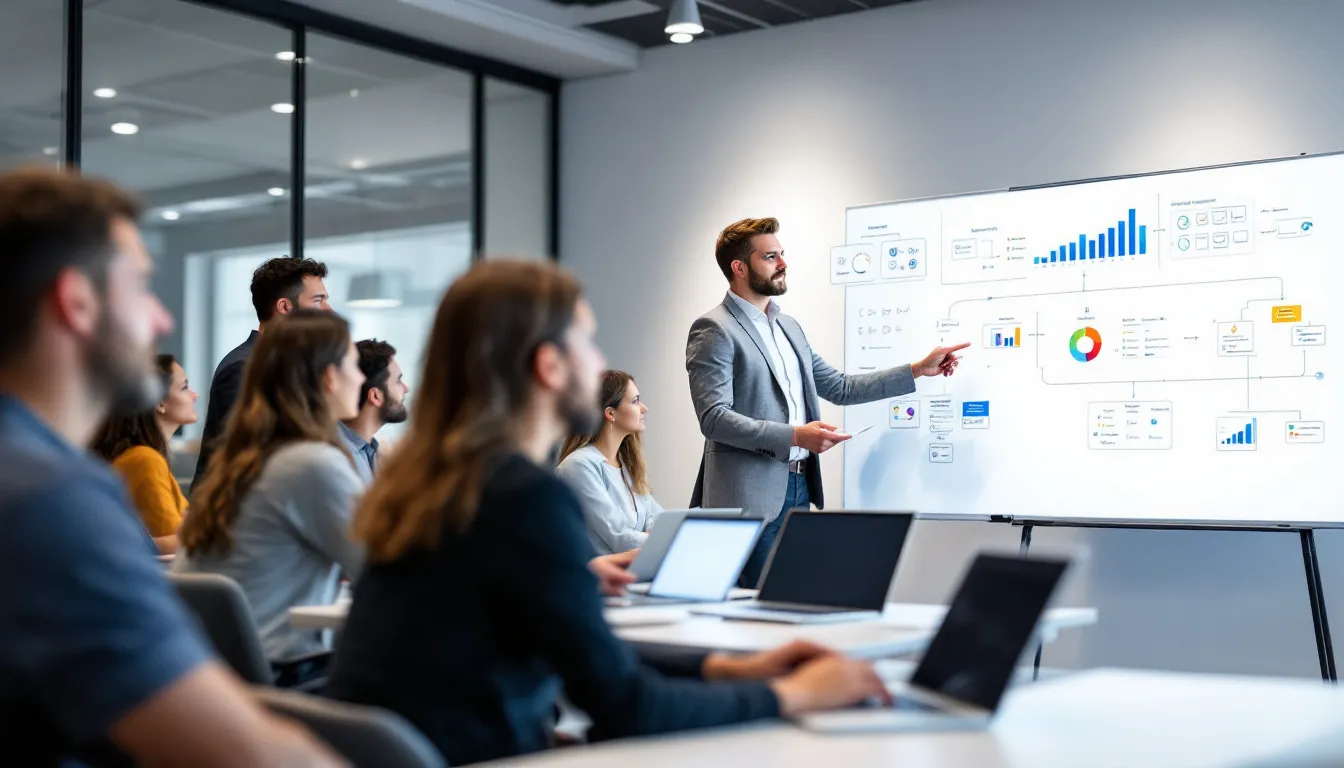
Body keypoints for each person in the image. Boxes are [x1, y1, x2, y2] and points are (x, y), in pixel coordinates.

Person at [327, 260, 889, 766]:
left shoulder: (436, 484)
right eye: (588, 343)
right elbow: (625, 704)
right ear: (549, 365)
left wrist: (726, 668)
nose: (598, 362)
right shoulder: (519, 497)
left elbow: (585, 649)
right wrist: (795, 694)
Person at [0, 167, 340, 765]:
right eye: (140, 288)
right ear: (76, 301)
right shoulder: (48, 498)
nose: (162, 319)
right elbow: (242, 752)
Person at [687, 217, 970, 587]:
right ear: (739, 267)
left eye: (782, 255)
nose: (783, 264)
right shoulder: (714, 329)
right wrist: (794, 436)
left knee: (791, 604)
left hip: (798, 490)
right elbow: (714, 419)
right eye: (770, 257)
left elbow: (841, 387)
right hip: (749, 499)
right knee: (758, 618)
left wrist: (917, 369)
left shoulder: (788, 327)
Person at [176, 310, 366, 662]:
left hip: (217, 673)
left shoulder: (241, 462)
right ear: (328, 378)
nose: (361, 378)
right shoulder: (311, 463)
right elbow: (384, 567)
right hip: (287, 676)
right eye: (355, 365)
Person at [191, 255, 331, 492]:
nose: (328, 310)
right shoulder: (244, 367)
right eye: (318, 301)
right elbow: (247, 457)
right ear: (285, 308)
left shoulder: (287, 367)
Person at [91, 353, 197, 555]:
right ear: (159, 403)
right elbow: (179, 545)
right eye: (184, 387)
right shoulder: (144, 460)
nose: (195, 395)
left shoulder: (143, 457)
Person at [556, 370, 664, 555]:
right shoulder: (579, 466)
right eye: (635, 401)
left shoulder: (628, 467)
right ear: (611, 413)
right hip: (599, 580)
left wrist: (654, 535)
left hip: (633, 572)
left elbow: (660, 519)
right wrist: (658, 538)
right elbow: (619, 537)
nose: (644, 408)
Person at [339, 338, 409, 484]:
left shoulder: (374, 451)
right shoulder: (340, 461)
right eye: (398, 381)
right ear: (375, 396)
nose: (406, 389)